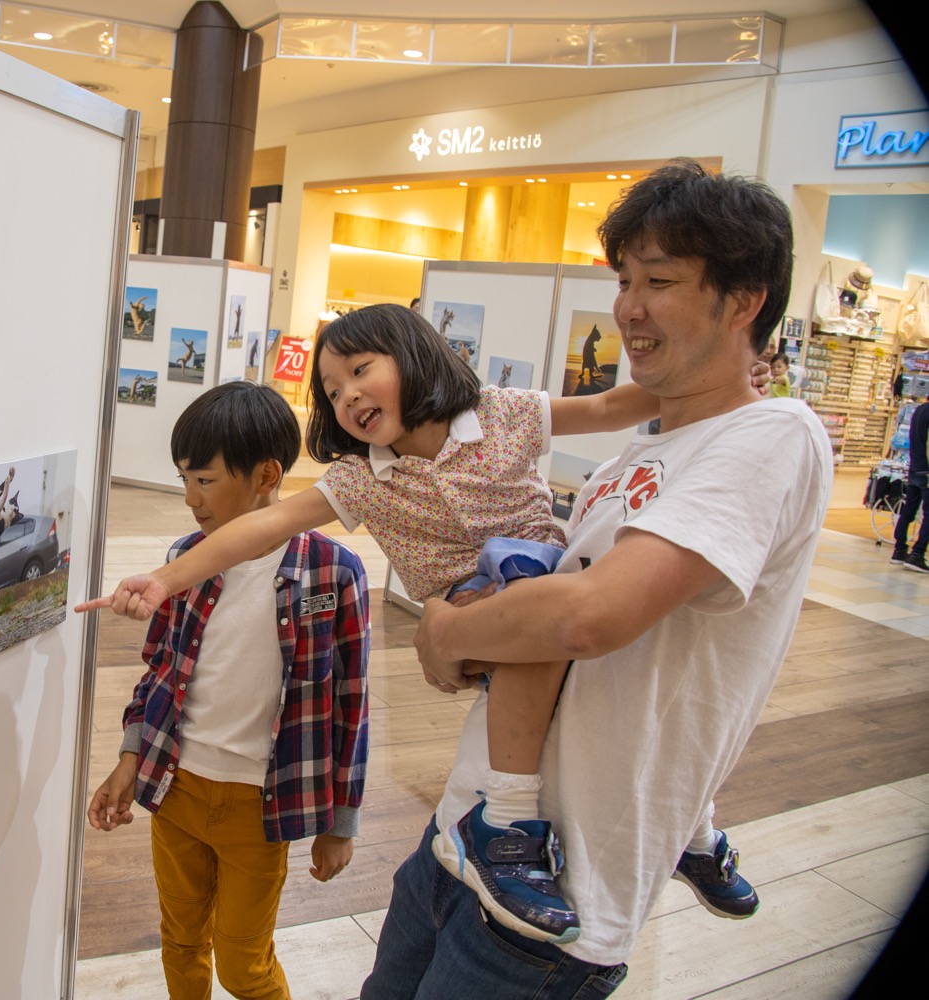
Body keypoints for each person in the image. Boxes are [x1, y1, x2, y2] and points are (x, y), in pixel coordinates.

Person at [79, 300, 710, 944]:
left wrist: (701, 386)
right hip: (474, 613)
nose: (348, 394)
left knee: (622, 684)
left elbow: (605, 410)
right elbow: (263, 528)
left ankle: (688, 823)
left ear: (413, 356)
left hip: (538, 578)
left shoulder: (502, 414)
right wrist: (163, 581)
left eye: (360, 370)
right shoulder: (361, 479)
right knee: (561, 689)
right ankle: (524, 821)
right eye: (331, 390)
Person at [382, 159, 831, 998]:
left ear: (744, 302)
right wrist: (486, 622)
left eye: (659, 280)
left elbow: (590, 616)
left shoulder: (774, 436)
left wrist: (443, 629)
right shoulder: (648, 447)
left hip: (562, 897)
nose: (629, 305)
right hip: (464, 838)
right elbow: (548, 609)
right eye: (625, 278)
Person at [84, 381, 370, 1000]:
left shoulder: (332, 572)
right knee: (181, 944)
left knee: (245, 965)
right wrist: (129, 760)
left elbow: (351, 705)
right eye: (184, 479)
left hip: (260, 806)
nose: (190, 499)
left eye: (205, 481)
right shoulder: (185, 560)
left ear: (266, 474)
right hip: (177, 789)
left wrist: (340, 821)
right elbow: (159, 670)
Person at [891, 397, 929, 572]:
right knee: (928, 515)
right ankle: (917, 554)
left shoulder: (919, 410)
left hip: (914, 466)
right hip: (926, 470)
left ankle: (899, 550)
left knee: (908, 510)